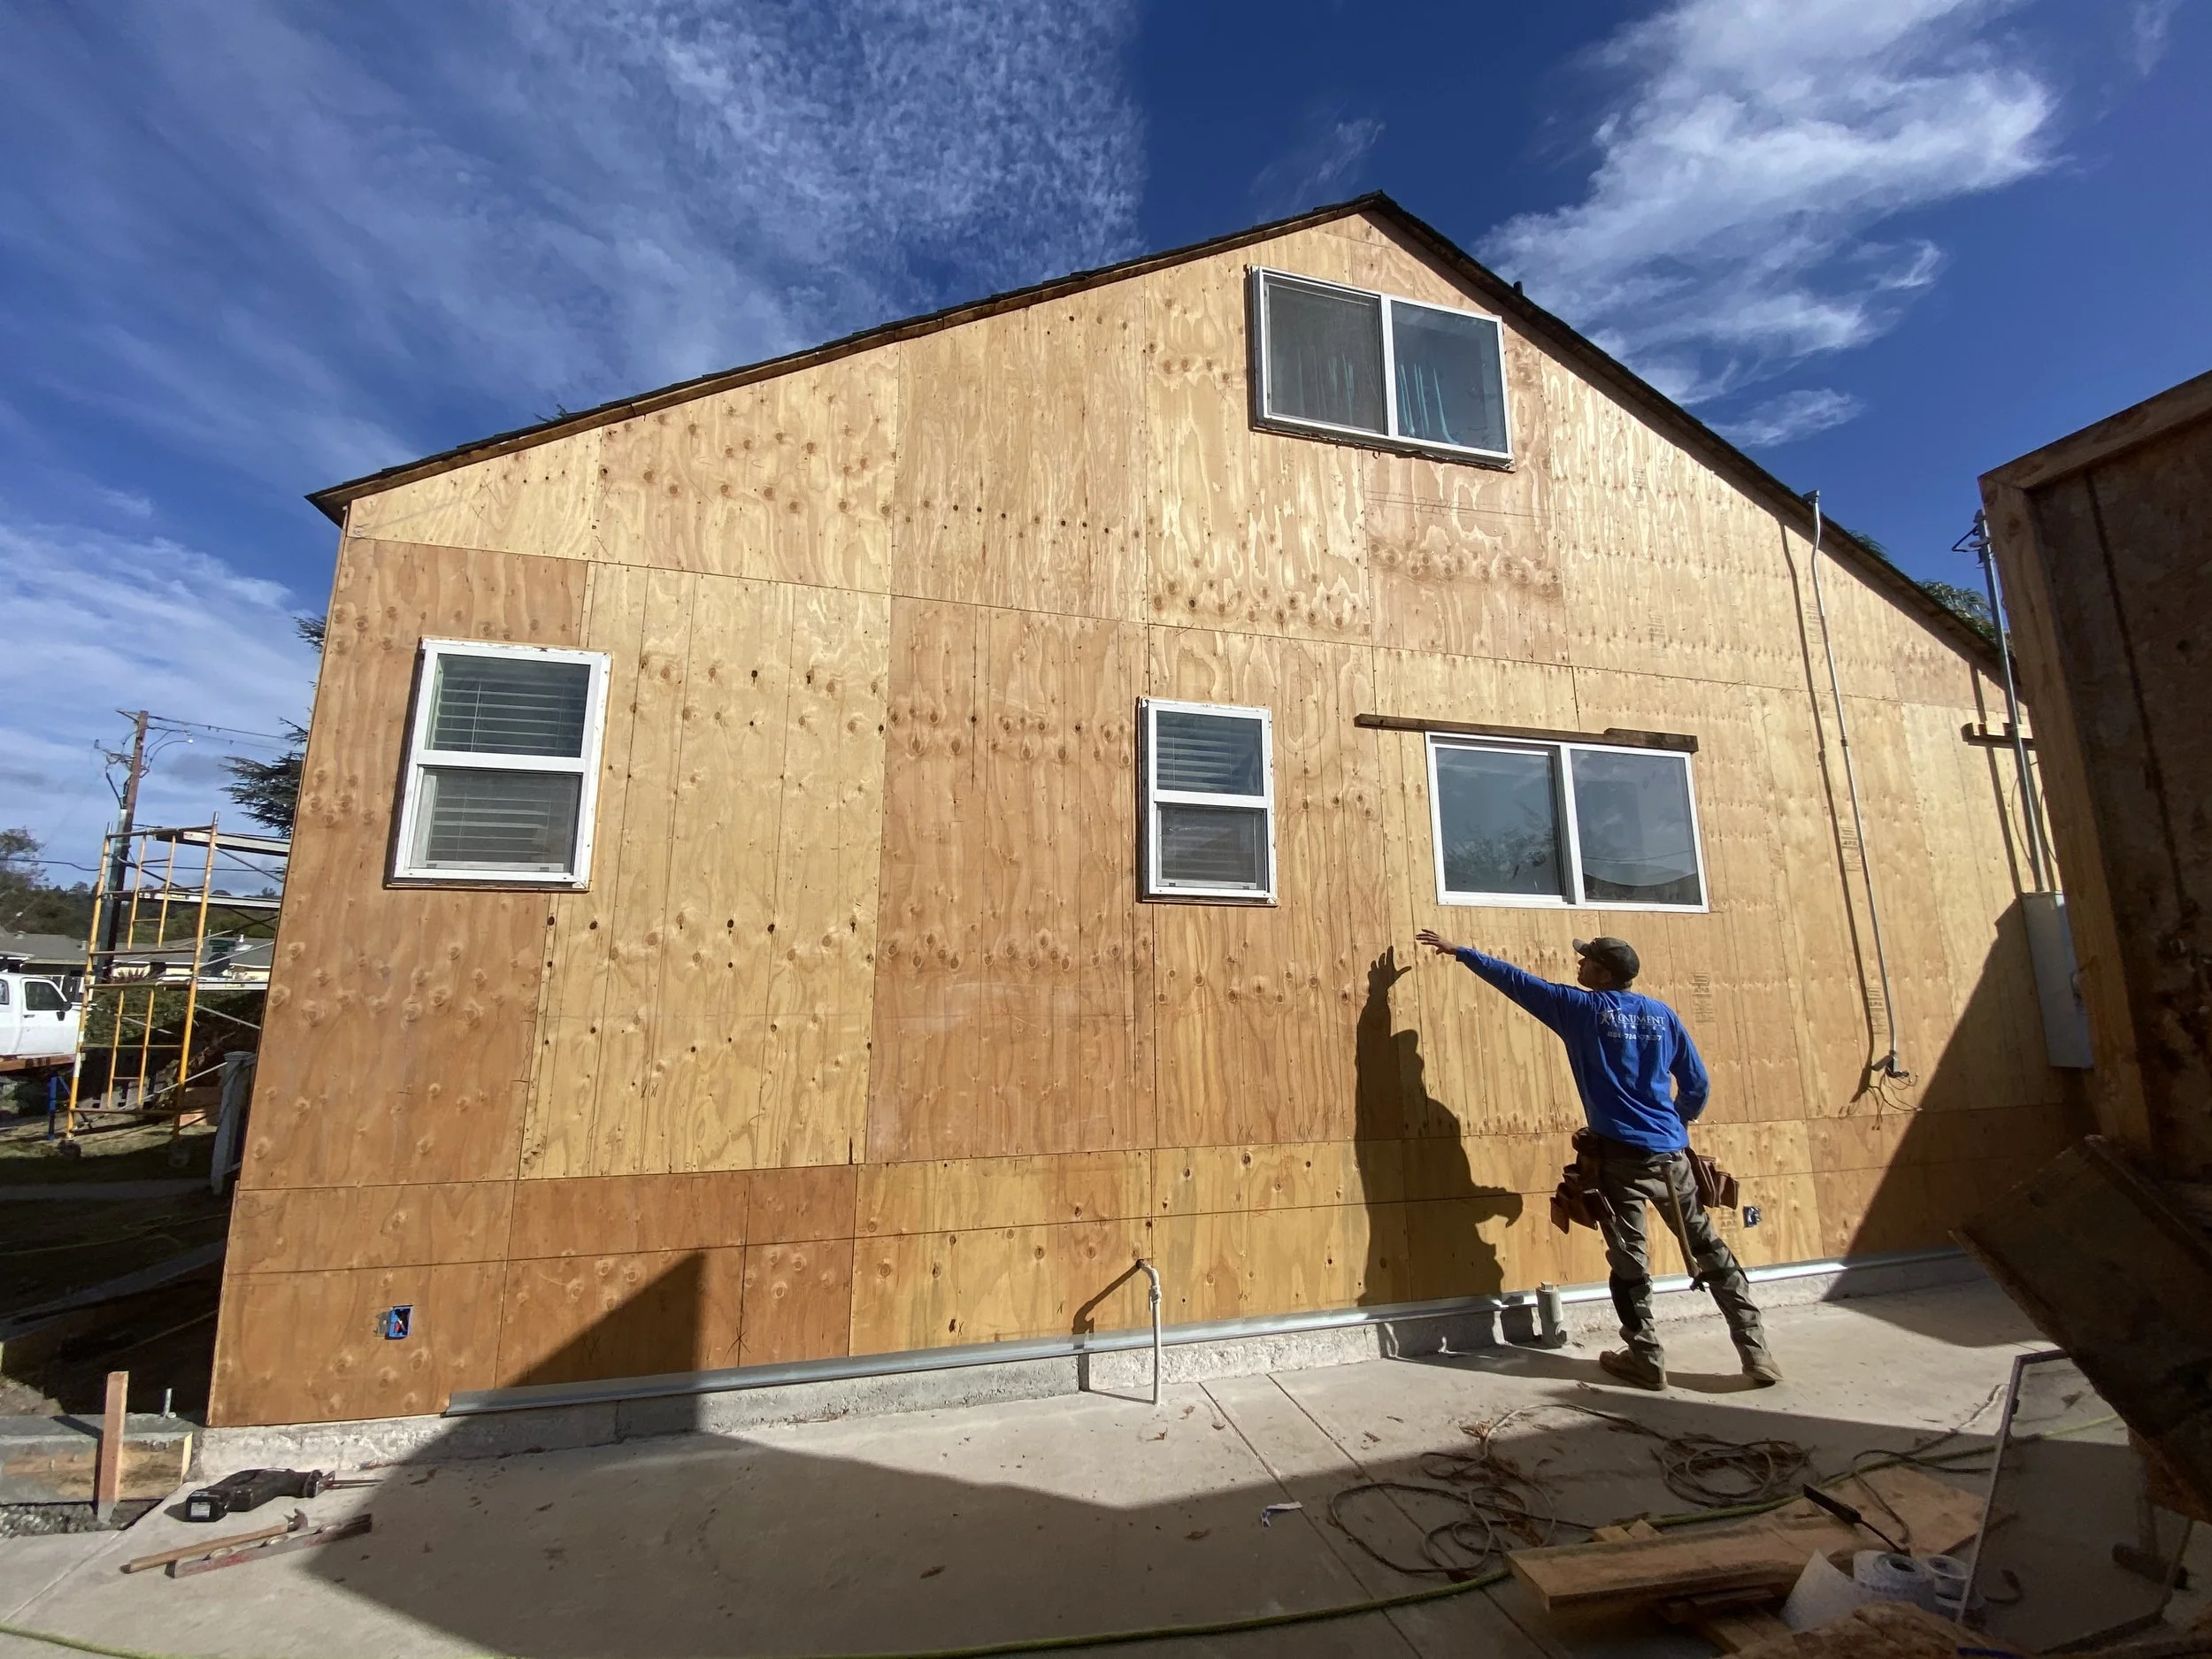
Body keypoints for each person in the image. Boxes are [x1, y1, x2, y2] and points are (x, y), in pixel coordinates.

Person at [1412, 928, 1779, 1391]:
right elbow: (1698, 1085)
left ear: (1604, 974)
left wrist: (1461, 952)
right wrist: (1672, 1125)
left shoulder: (1582, 1010)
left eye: (1585, 960)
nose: (1578, 964)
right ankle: (1756, 1353)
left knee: (1630, 1264)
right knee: (1709, 1251)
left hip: (1620, 1162)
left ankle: (1646, 1359)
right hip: (1672, 1158)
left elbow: (1519, 983)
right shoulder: (1662, 1016)